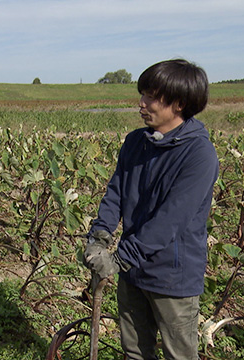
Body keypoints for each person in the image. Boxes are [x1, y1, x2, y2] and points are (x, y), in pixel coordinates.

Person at [84, 59, 219, 359]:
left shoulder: (199, 155)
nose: (141, 104)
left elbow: (170, 220)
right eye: (142, 94)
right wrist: (100, 236)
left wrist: (118, 259)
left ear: (179, 103)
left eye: (151, 97)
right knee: (135, 353)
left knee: (178, 355)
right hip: (133, 274)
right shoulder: (135, 142)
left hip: (173, 278)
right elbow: (116, 192)